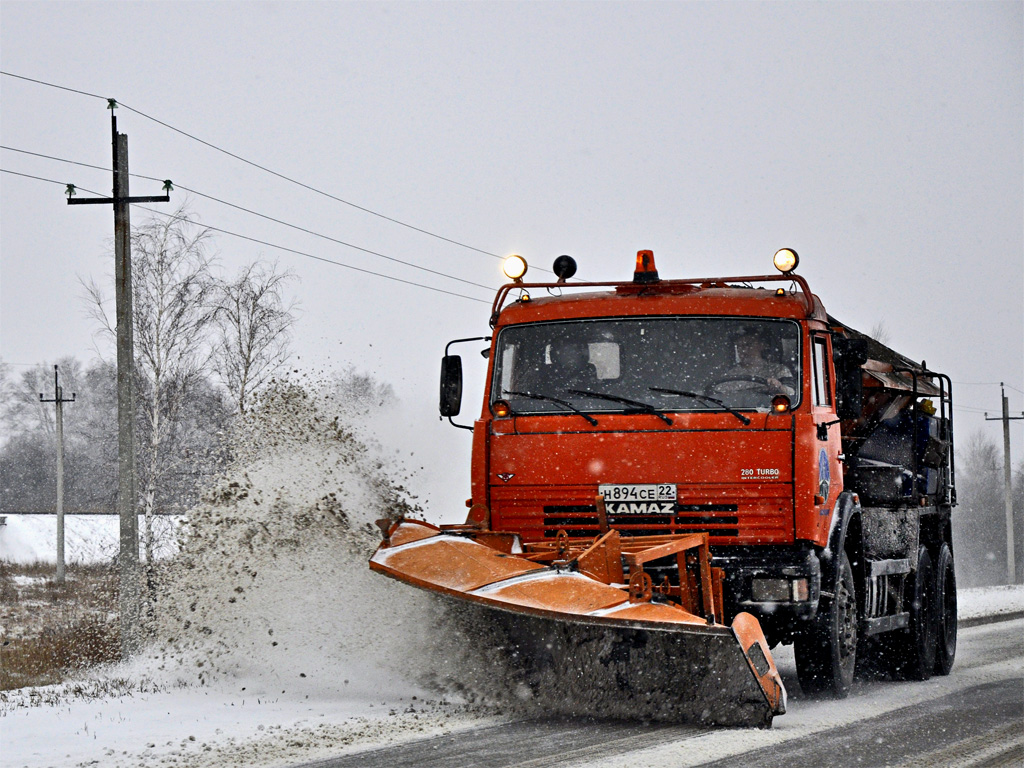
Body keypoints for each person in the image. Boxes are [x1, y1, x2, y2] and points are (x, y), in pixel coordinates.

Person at [712, 328, 794, 397]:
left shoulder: (779, 370)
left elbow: (792, 394)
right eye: (740, 346)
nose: (743, 350)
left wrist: (780, 387)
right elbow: (719, 398)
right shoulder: (730, 376)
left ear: (762, 345)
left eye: (748, 344)